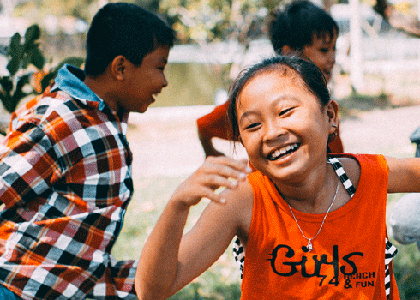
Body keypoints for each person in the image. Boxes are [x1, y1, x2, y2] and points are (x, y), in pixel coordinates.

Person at [135, 55, 419, 299]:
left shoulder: (367, 177)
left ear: (330, 115)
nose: (271, 133)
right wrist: (177, 206)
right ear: (243, 143)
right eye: (253, 125)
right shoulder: (245, 200)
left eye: (285, 111)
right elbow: (152, 291)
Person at [0, 3, 175, 300]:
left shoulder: (106, 118)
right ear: (120, 67)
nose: (164, 81)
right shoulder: (58, 120)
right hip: (18, 289)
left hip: (67, 287)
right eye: (159, 67)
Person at [196, 0, 343, 158]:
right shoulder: (257, 98)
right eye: (323, 50)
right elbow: (204, 125)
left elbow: (337, 157)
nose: (332, 58)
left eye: (334, 48)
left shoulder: (321, 100)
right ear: (290, 54)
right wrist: (212, 154)